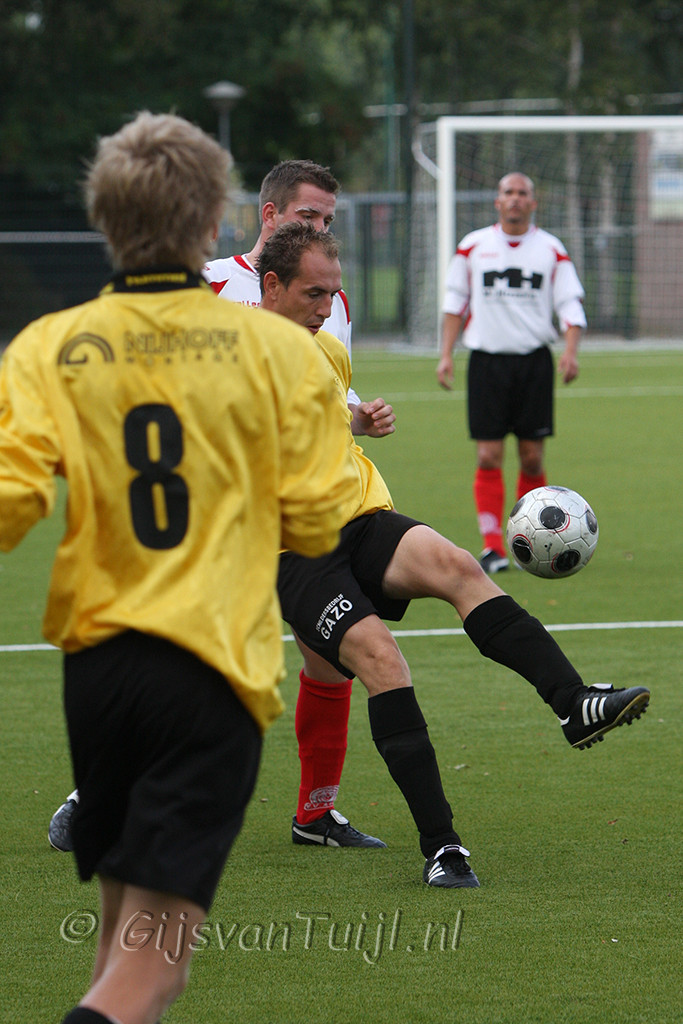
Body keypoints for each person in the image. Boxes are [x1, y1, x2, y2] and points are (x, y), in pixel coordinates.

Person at [0, 112, 357, 1024]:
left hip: (97, 670)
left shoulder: (50, 344)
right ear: (213, 220)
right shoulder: (280, 348)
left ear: (102, 218)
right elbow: (318, 520)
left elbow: (10, 505)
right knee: (152, 972)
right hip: (209, 670)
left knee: (119, 944)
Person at [258, 221, 650, 889]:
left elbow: (326, 412)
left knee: (460, 568)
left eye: (333, 293)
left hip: (360, 516)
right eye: (312, 294)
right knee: (383, 659)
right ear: (271, 286)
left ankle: (573, 702)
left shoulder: (324, 347)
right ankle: (442, 847)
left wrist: (358, 419)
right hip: (293, 551)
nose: (327, 308)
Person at [47, 158, 396, 853]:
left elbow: (325, 389)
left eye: (328, 219)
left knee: (328, 653)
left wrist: (358, 417)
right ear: (270, 215)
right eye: (307, 216)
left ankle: (316, 813)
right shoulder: (202, 283)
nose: (319, 228)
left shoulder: (331, 298)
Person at [436, 172, 587, 574]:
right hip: (487, 363)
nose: (515, 199)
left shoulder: (550, 249)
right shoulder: (473, 246)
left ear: (533, 203)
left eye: (522, 193)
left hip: (533, 363)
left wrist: (571, 352)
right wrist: (446, 354)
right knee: (488, 455)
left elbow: (570, 304)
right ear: (497, 202)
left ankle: (534, 541)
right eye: (508, 192)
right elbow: (455, 303)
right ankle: (492, 547)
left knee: (532, 458)